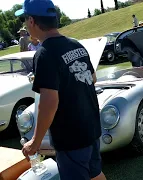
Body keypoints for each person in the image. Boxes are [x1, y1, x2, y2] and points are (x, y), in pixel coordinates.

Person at [15, 0, 106, 180]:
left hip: (71, 137)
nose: (25, 24)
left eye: (25, 19)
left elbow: (49, 102)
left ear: (32, 21)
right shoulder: (76, 45)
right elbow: (92, 78)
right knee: (95, 174)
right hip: (91, 128)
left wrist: (35, 141)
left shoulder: (45, 53)